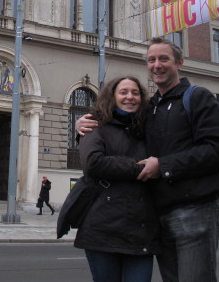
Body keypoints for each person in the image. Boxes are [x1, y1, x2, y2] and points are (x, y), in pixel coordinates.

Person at [77, 37, 219, 282]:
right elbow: (117, 125)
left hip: (195, 211)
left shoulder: (198, 97)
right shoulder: (151, 108)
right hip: (159, 217)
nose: (157, 65)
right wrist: (84, 124)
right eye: (151, 60)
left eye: (163, 59)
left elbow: (216, 151)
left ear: (179, 63)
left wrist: (163, 166)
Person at [75, 76, 160, 282]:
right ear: (112, 96)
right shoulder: (94, 124)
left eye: (135, 93)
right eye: (123, 92)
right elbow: (93, 164)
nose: (130, 97)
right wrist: (139, 167)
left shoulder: (150, 128)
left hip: (141, 232)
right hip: (103, 230)